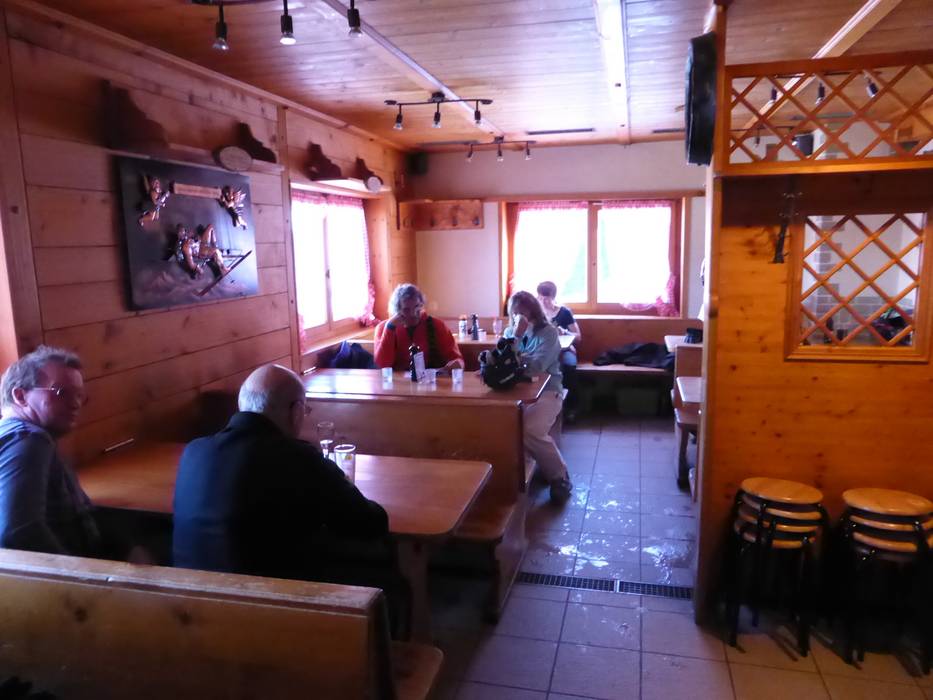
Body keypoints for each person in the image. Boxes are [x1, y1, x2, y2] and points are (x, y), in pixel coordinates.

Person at [172, 363, 389, 580]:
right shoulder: (299, 458)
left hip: (187, 595)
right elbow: (370, 523)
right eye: (305, 410)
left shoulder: (193, 451)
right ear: (296, 412)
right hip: (270, 599)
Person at [0, 346, 100, 556]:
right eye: (61, 393)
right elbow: (19, 532)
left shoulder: (24, 436)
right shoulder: (28, 440)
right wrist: (79, 572)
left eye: (79, 395)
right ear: (20, 396)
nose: (76, 404)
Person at [506, 291, 573, 505]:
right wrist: (515, 338)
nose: (519, 318)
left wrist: (518, 357)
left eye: (524, 313)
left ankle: (559, 476)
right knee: (498, 425)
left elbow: (537, 367)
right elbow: (503, 361)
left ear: (533, 312)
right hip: (515, 392)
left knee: (530, 429)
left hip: (548, 391)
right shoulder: (509, 333)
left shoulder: (548, 333)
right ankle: (519, 472)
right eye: (515, 313)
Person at [373, 283, 464, 372]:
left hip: (431, 379)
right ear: (397, 311)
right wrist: (389, 329)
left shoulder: (437, 325)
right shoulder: (384, 328)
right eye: (406, 310)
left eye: (417, 307)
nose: (413, 314)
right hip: (398, 380)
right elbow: (382, 365)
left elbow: (456, 359)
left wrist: (457, 364)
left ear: (422, 305)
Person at [536, 281, 582, 421]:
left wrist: (564, 331)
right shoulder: (537, 315)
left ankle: (571, 407)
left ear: (553, 297)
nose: (543, 301)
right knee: (536, 367)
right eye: (540, 297)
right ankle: (542, 407)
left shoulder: (564, 312)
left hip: (565, 350)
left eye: (546, 298)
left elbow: (578, 337)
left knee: (569, 366)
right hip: (544, 351)